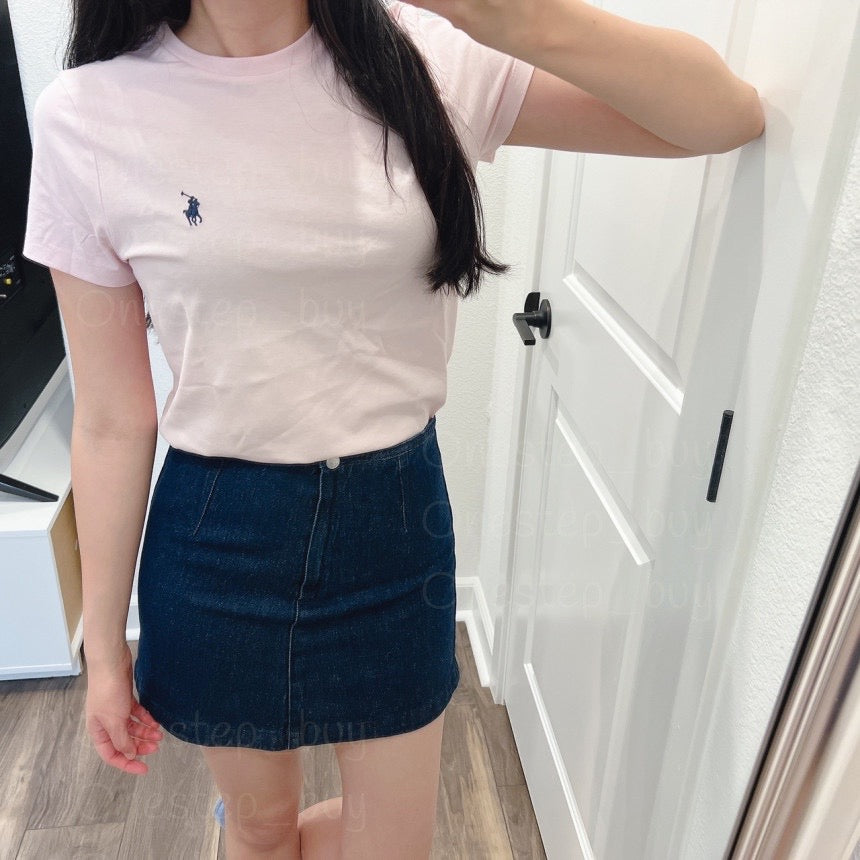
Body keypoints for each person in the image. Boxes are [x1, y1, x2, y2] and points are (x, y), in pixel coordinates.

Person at [22, 0, 764, 856]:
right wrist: (105, 648)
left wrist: (507, 17)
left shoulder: (430, 54)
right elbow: (112, 421)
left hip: (394, 521)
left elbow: (722, 118)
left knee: (393, 845)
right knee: (260, 828)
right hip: (218, 533)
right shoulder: (89, 116)